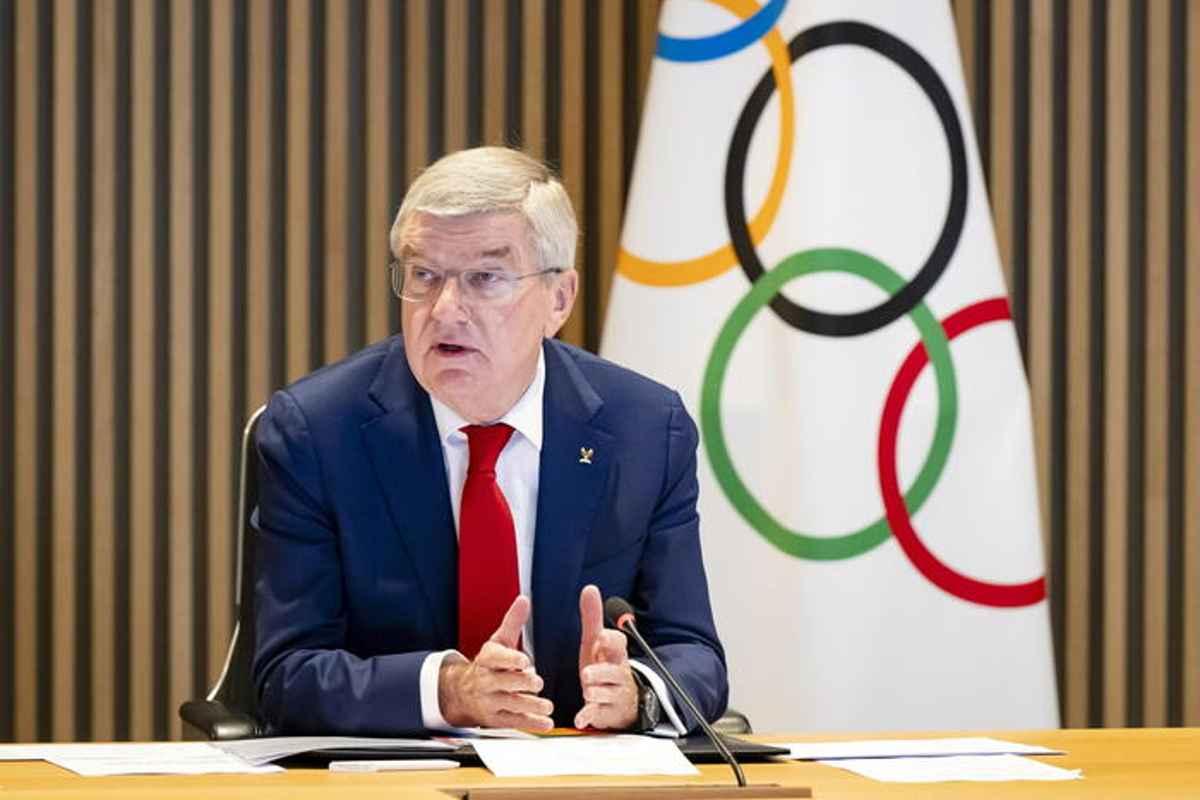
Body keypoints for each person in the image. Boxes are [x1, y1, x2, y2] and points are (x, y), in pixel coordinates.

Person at [251, 146, 727, 735]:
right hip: (397, 771)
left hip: (578, 767)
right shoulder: (319, 433)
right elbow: (285, 676)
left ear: (559, 299)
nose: (445, 310)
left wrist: (638, 694)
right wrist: (451, 691)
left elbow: (694, 653)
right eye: (423, 276)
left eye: (485, 278)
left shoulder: (646, 430)